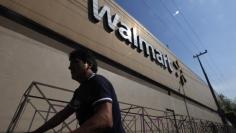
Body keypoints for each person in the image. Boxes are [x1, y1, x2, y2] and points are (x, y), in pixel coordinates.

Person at [30, 49, 125, 133]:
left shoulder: (98, 82)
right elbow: (62, 115)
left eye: (75, 62)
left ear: (89, 64)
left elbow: (105, 119)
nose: (70, 67)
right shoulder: (79, 92)